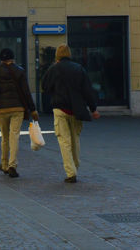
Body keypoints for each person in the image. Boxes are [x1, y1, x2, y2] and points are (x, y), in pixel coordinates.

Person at [40, 44, 99, 183]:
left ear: (57, 56)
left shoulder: (53, 68)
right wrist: (93, 109)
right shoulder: (78, 68)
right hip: (76, 109)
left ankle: (70, 171)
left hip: (59, 108)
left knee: (64, 141)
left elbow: (44, 86)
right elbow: (87, 91)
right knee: (75, 140)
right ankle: (75, 167)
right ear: (69, 54)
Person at [0, 47, 38, 178]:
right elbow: (26, 92)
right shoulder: (20, 71)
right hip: (17, 109)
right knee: (14, 136)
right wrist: (33, 109)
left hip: (1, 109)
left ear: (1, 59)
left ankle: (4, 164)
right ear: (13, 58)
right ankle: (12, 165)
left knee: (4, 137)